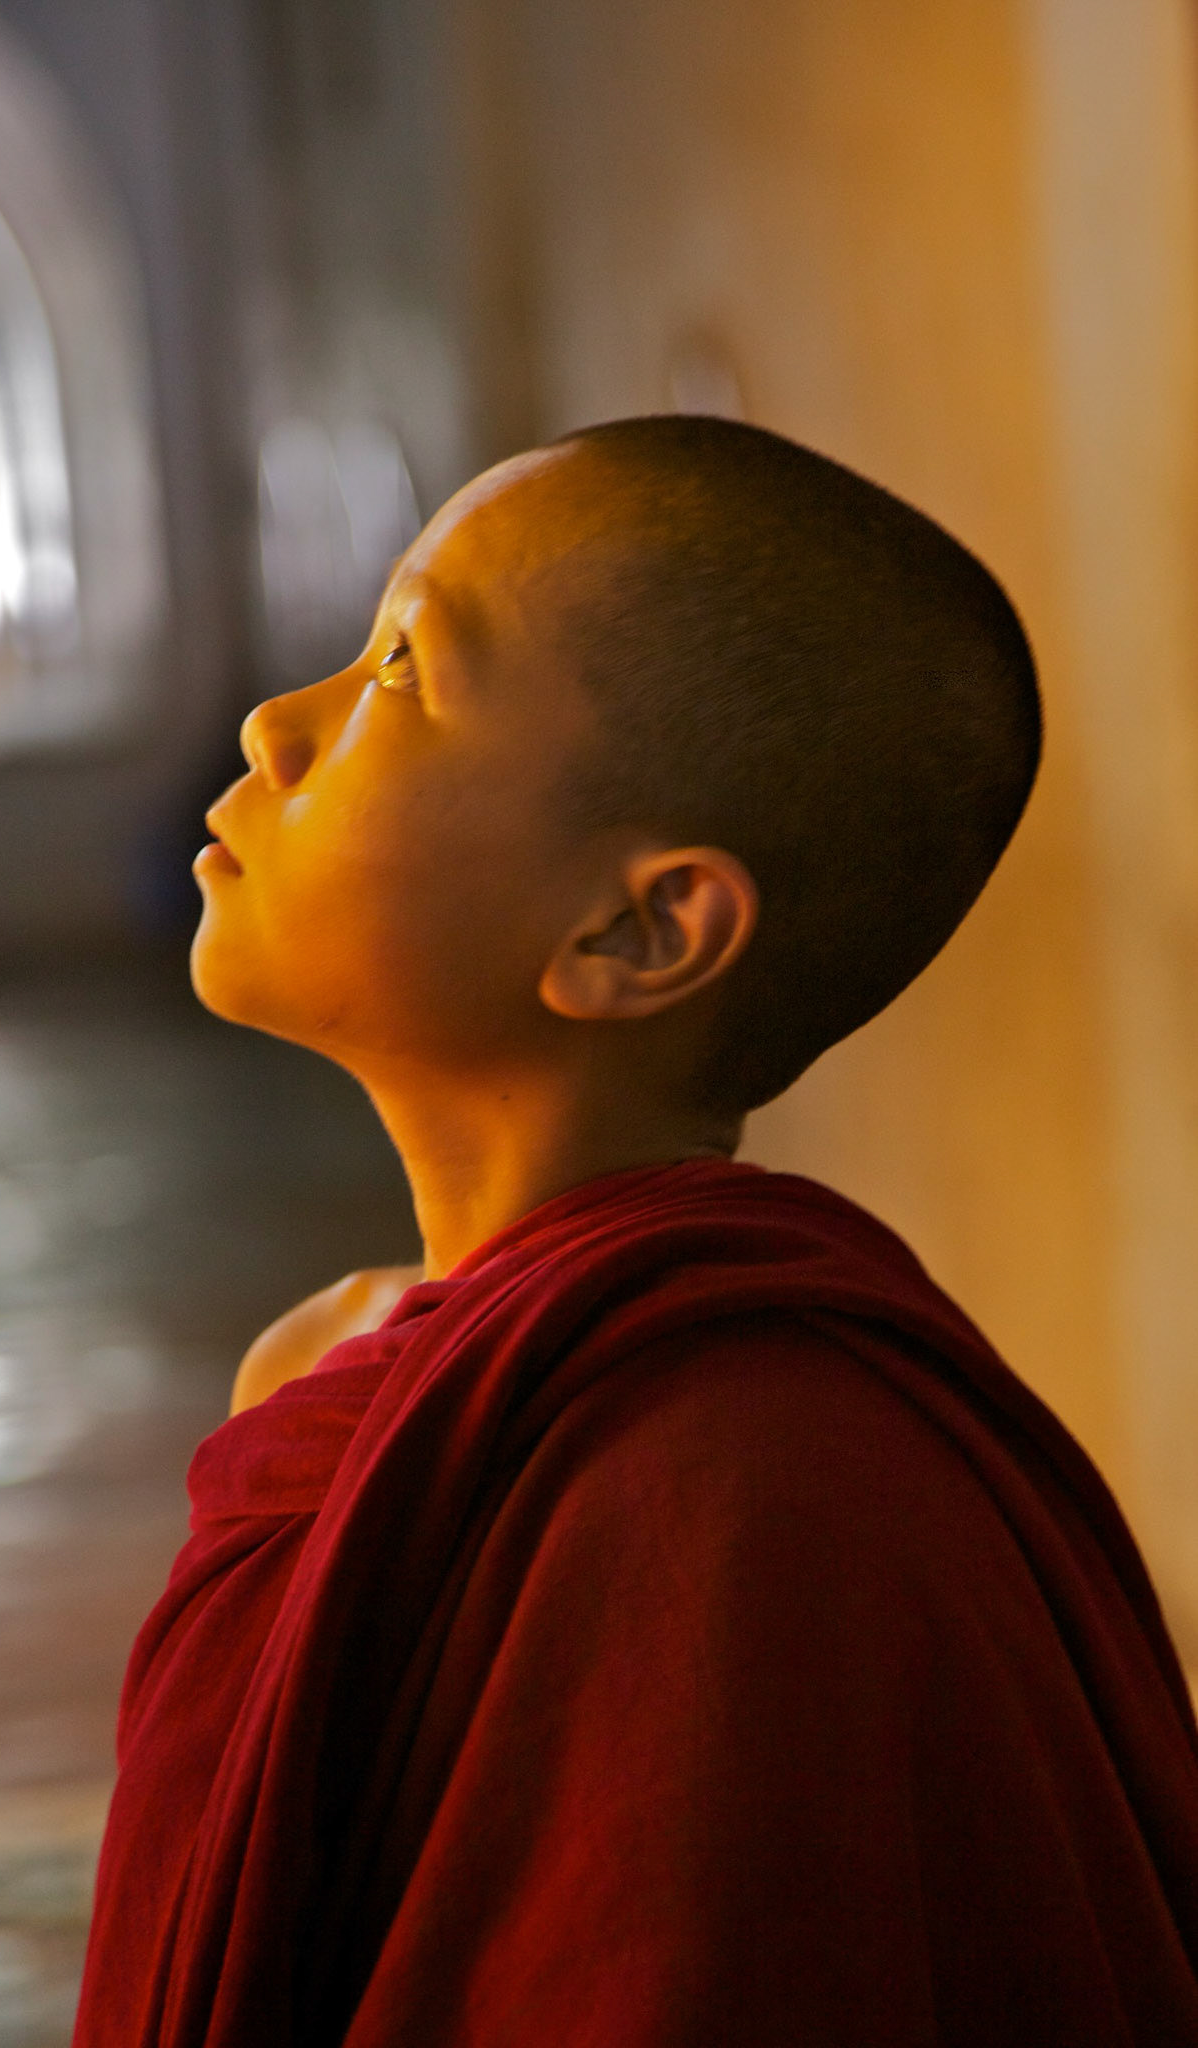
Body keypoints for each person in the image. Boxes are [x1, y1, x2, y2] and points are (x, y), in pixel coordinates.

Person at [73, 417, 1198, 2046]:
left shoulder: (737, 1488)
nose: (277, 723)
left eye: (399, 672)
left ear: (637, 928)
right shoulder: (318, 1374)